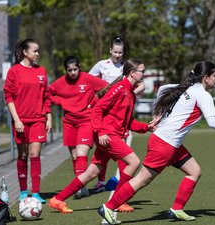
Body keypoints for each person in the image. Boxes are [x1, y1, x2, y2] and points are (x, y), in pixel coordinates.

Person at [97, 61, 215, 225]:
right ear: (206, 78)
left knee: (194, 171)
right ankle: (109, 207)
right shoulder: (203, 95)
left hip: (169, 143)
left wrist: (160, 112)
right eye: (214, 76)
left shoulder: (188, 88)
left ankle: (177, 209)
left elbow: (163, 89)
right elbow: (212, 122)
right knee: (142, 180)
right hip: (165, 144)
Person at [49, 58, 154, 214]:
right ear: (132, 73)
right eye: (142, 72)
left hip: (110, 135)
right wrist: (101, 132)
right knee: (133, 162)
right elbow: (97, 110)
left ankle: (57, 199)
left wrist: (146, 127)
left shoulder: (130, 93)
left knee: (92, 172)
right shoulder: (119, 89)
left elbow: (128, 121)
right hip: (108, 135)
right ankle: (118, 201)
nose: (143, 74)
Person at [89, 37, 146, 195]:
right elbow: (88, 79)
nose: (117, 55)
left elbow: (141, 85)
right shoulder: (102, 65)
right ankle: (107, 185)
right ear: (110, 51)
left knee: (117, 153)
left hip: (119, 111)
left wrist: (128, 95)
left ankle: (116, 187)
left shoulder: (127, 67)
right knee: (116, 153)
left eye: (120, 52)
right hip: (107, 112)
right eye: (115, 51)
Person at [49, 56, 108, 199]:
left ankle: (80, 187)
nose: (73, 72)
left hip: (86, 121)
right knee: (74, 155)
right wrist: (60, 102)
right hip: (69, 122)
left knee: (82, 154)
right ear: (66, 70)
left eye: (75, 69)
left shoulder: (88, 79)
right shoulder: (60, 82)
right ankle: (80, 185)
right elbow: (48, 93)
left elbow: (107, 87)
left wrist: (95, 102)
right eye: (69, 70)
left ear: (79, 67)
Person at [3, 39, 52, 203]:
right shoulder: (14, 71)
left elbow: (46, 96)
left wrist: (48, 116)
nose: (37, 54)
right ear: (25, 52)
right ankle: (23, 191)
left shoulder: (41, 71)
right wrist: (16, 120)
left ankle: (36, 192)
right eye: (34, 51)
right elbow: (8, 96)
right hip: (21, 121)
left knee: (35, 154)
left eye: (38, 51)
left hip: (38, 120)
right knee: (23, 155)